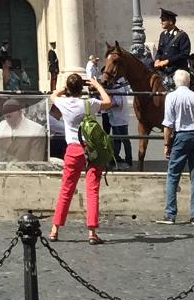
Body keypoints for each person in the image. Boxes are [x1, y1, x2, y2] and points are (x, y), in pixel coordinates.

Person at [48, 71, 112, 244]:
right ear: (81, 88)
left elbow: (52, 95)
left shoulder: (63, 102)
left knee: (66, 189)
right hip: (91, 149)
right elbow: (108, 102)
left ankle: (55, 229)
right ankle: (92, 232)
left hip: (73, 150)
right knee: (92, 190)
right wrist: (97, 85)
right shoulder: (88, 103)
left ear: (69, 88)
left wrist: (64, 88)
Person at [160, 69, 194, 223]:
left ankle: (170, 213)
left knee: (173, 174)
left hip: (181, 136)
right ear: (188, 81)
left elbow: (168, 125)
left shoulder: (171, 97)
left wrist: (166, 144)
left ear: (175, 82)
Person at [105, 72, 133, 168]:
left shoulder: (117, 89)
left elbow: (118, 103)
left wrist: (108, 106)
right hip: (119, 118)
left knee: (123, 140)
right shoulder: (118, 87)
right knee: (119, 140)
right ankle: (116, 157)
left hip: (119, 119)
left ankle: (127, 159)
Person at [152, 10, 191, 79]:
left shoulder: (182, 35)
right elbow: (160, 51)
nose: (161, 22)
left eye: (163, 20)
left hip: (178, 72)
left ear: (170, 21)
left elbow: (184, 54)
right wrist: (157, 59)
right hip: (164, 72)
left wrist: (167, 61)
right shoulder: (163, 35)